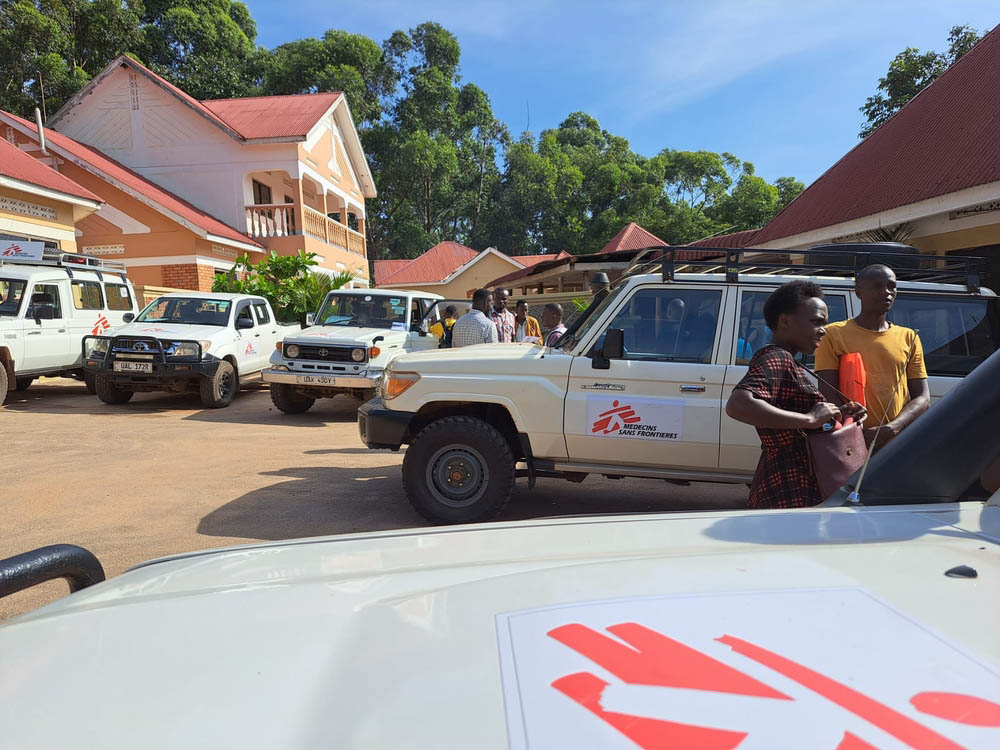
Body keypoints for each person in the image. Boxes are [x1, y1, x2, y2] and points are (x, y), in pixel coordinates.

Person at [726, 281, 866, 509]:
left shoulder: (787, 359)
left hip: (793, 478)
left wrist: (838, 414)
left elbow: (795, 414)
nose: (823, 329)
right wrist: (810, 420)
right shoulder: (776, 357)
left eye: (825, 323)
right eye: (816, 322)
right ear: (785, 321)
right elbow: (738, 404)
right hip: (788, 485)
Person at [814, 264, 929, 451]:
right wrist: (855, 432)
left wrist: (891, 429)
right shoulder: (833, 334)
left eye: (891, 286)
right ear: (858, 292)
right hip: (853, 441)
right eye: (877, 286)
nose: (886, 292)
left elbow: (922, 397)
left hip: (899, 443)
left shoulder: (909, 337)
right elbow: (828, 393)